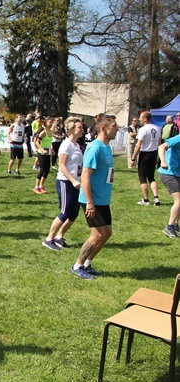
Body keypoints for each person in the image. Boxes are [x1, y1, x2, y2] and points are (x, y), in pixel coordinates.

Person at [70, 114, 117, 279]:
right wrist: (90, 203)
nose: (117, 129)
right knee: (97, 234)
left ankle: (88, 264)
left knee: (107, 233)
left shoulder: (106, 147)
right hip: (92, 200)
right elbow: (85, 176)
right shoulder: (95, 147)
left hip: (102, 199)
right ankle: (77, 266)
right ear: (103, 128)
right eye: (114, 126)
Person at [42, 117, 84, 250]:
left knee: (74, 213)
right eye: (79, 127)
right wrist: (72, 180)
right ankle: (49, 239)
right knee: (65, 211)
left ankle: (59, 237)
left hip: (75, 182)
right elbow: (62, 165)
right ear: (71, 130)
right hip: (65, 182)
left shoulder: (76, 145)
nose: (82, 129)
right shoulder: (66, 145)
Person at [132, 111, 161, 206]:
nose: (139, 119)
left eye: (141, 117)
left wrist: (133, 158)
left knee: (142, 177)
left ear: (145, 119)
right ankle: (156, 198)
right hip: (154, 153)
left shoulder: (143, 129)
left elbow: (138, 145)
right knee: (151, 177)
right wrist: (158, 155)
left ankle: (146, 200)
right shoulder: (157, 128)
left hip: (145, 154)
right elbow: (159, 143)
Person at [158, 133, 180, 238]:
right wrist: (163, 161)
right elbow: (162, 146)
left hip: (177, 173)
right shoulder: (178, 138)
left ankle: (175, 226)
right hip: (168, 173)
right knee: (179, 200)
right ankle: (169, 227)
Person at [33, 117, 54, 194]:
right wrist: (42, 150)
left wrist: (51, 149)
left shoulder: (52, 132)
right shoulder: (43, 132)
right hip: (42, 152)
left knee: (47, 170)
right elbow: (37, 142)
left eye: (51, 122)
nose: (51, 124)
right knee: (42, 169)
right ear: (45, 124)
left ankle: (41, 186)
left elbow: (49, 142)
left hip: (48, 151)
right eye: (49, 122)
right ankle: (36, 187)